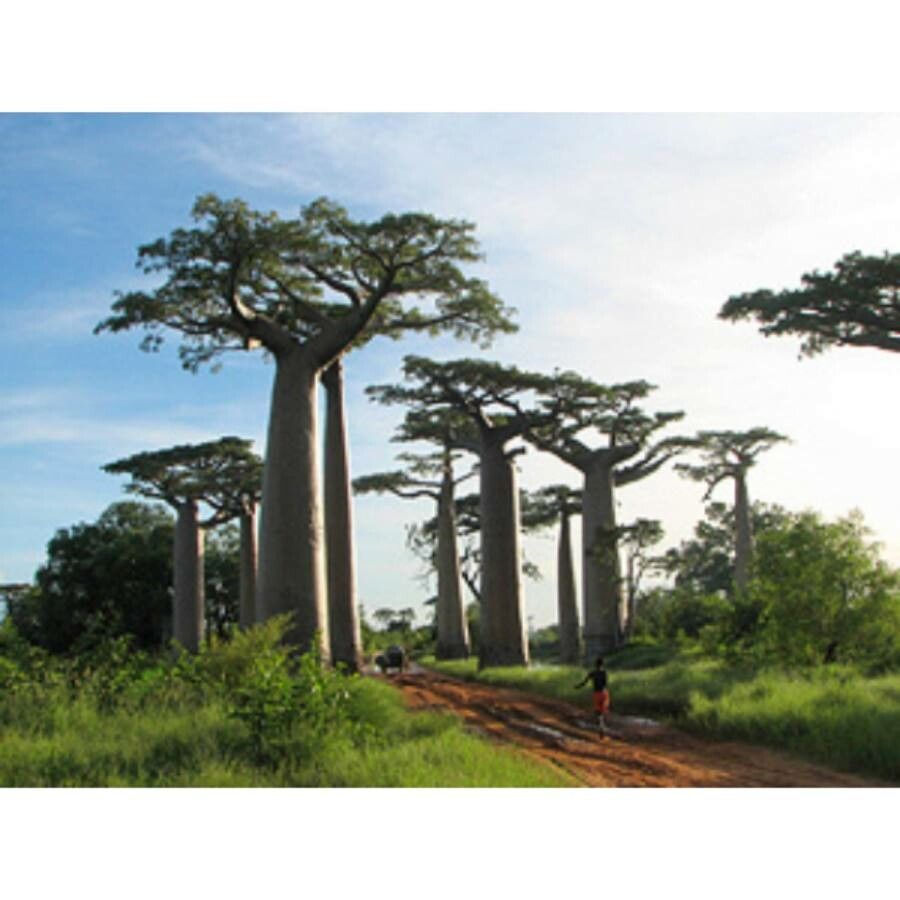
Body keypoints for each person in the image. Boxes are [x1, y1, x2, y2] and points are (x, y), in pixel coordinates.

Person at [574, 656, 610, 732]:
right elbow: (605, 684)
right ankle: (602, 724)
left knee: (598, 712)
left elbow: (584, 682)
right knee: (603, 710)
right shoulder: (604, 673)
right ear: (602, 664)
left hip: (597, 694)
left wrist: (577, 687)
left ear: (595, 664)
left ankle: (601, 725)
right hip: (604, 693)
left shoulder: (592, 673)